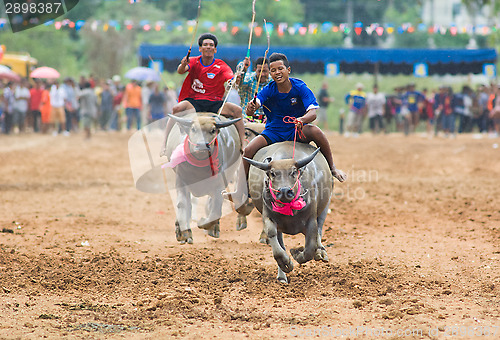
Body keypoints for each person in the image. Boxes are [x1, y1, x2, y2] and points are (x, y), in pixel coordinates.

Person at [230, 53, 346, 200]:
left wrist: (302, 120)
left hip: (296, 128)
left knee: (316, 132)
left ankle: (333, 168)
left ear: (288, 70)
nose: (277, 72)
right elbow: (256, 103)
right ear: (271, 73)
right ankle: (241, 189)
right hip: (274, 130)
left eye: (280, 69)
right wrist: (251, 108)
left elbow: (313, 113)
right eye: (273, 70)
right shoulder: (269, 89)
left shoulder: (299, 87)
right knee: (248, 150)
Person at [161, 33, 245, 155]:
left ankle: (243, 142)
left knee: (237, 110)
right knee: (176, 108)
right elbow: (180, 71)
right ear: (200, 48)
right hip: (195, 101)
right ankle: (164, 142)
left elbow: (230, 78)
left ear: (215, 49)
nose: (208, 47)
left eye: (211, 45)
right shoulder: (194, 61)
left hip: (215, 102)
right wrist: (183, 64)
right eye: (205, 45)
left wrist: (234, 80)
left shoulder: (221, 65)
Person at [237, 56, 272, 123]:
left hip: (266, 119)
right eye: (260, 71)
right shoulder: (249, 79)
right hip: (247, 118)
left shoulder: (272, 83)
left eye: (265, 71)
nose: (262, 74)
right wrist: (244, 68)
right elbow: (240, 83)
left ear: (269, 70)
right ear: (255, 69)